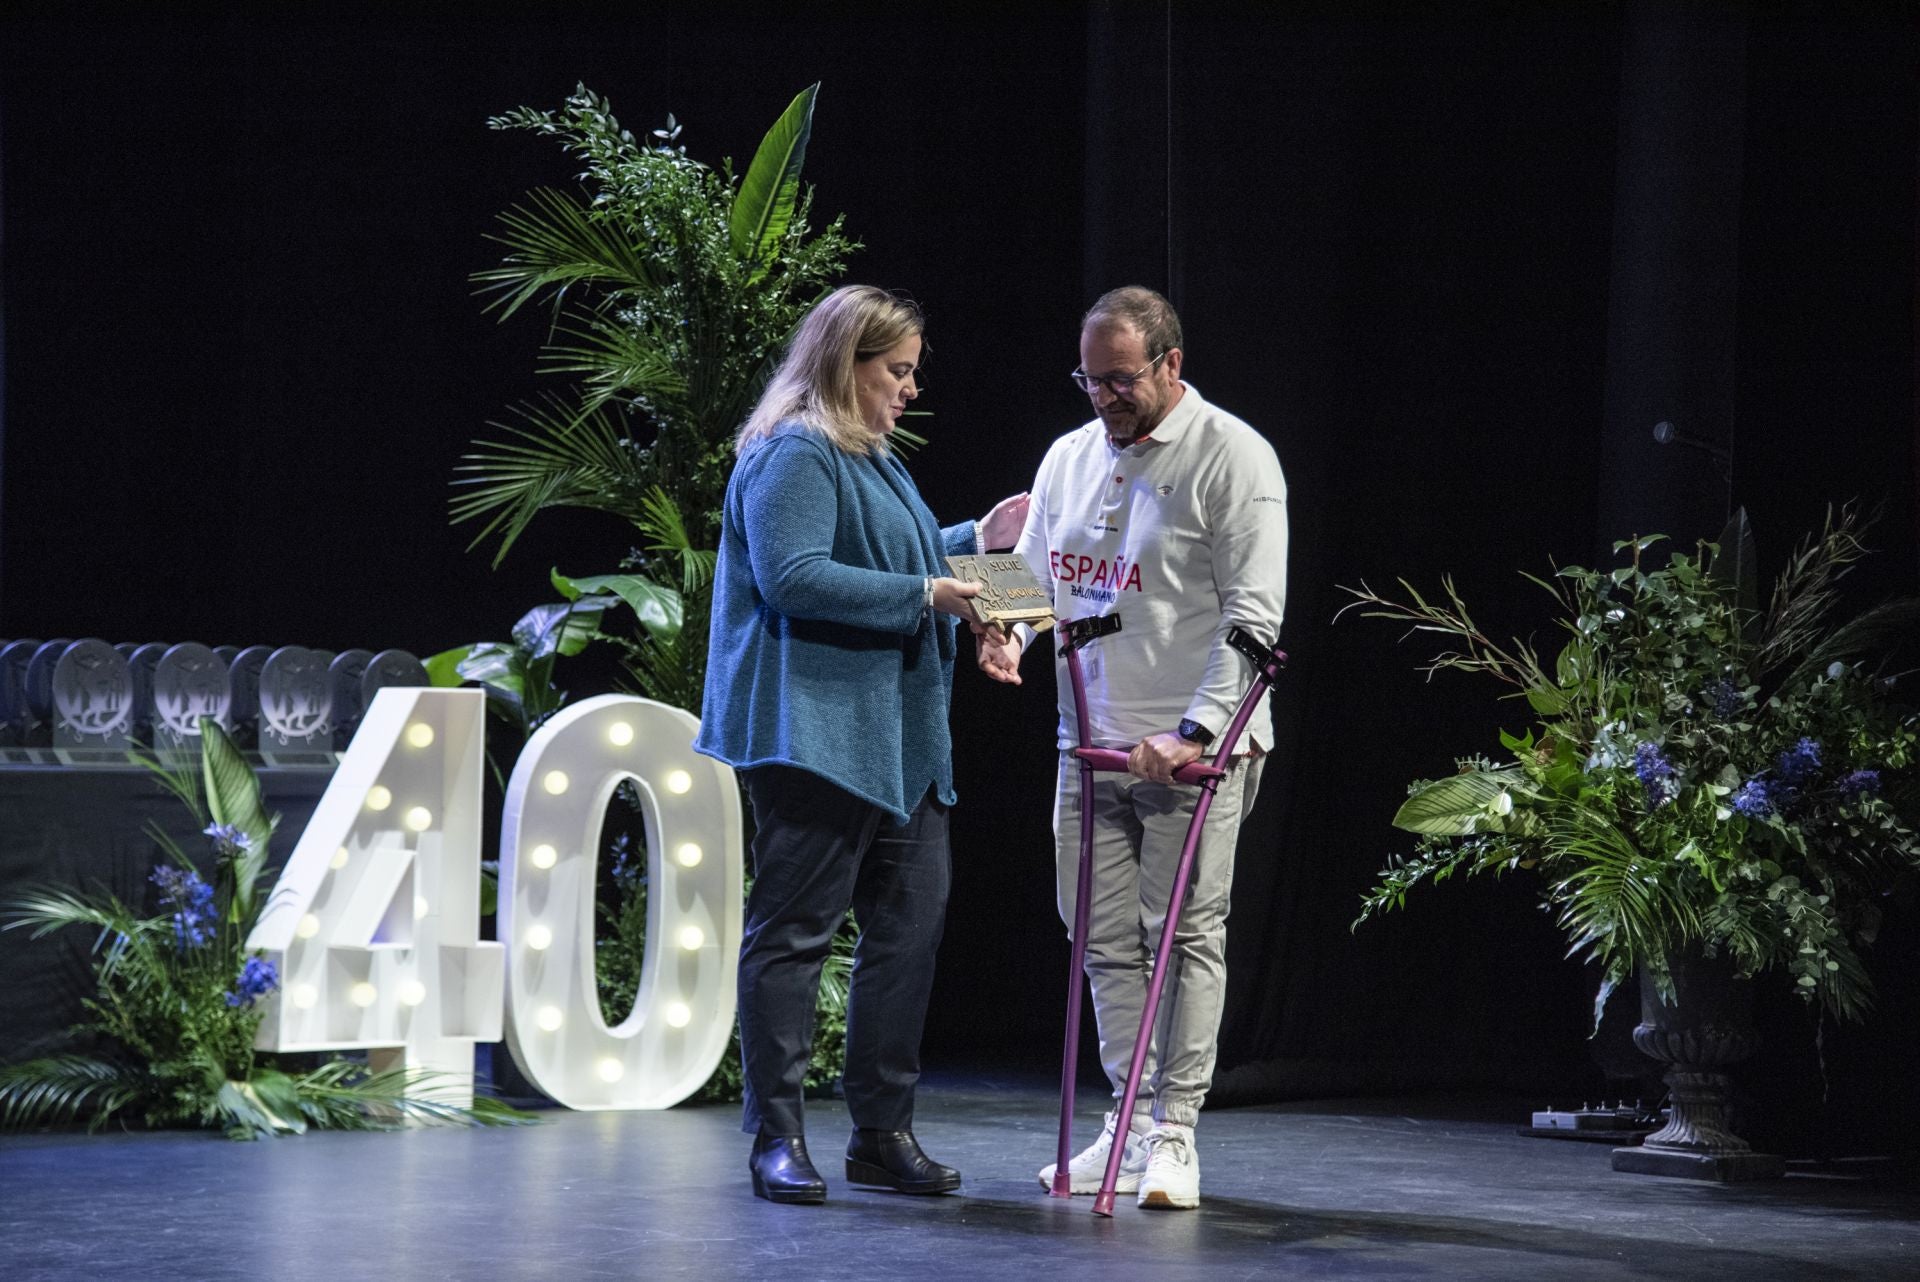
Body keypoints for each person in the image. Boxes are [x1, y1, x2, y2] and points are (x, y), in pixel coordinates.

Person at [695, 284, 1030, 1205]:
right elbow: (795, 576)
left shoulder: (870, 455)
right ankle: (776, 1137)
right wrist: (933, 593)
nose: (911, 389)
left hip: (896, 741)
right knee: (794, 938)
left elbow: (896, 553)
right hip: (815, 734)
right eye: (898, 370)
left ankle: (880, 1134)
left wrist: (976, 541)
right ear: (847, 365)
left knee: (906, 935)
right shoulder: (794, 451)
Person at [977, 286, 1287, 1210]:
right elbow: (1030, 574)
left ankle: (1179, 1133)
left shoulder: (1235, 457)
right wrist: (1005, 631)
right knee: (1103, 937)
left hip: (1196, 747)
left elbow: (1255, 618)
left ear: (1170, 365)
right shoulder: (1070, 456)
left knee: (1185, 933)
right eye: (1090, 380)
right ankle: (1132, 1118)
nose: (1104, 398)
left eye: (1122, 380)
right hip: (1091, 739)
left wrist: (1192, 731)